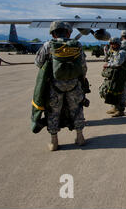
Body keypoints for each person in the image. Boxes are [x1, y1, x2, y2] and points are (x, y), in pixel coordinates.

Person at [34, 21, 87, 151]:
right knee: (77, 109)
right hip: (74, 84)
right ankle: (80, 137)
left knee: (53, 112)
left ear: (53, 33)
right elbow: (83, 66)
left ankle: (54, 142)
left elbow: (38, 63)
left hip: (54, 86)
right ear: (68, 32)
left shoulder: (48, 45)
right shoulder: (77, 45)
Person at [103, 37, 126, 117]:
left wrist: (108, 65)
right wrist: (108, 64)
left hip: (121, 76)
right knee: (112, 91)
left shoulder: (122, 52)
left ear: (118, 44)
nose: (111, 46)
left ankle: (120, 110)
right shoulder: (114, 52)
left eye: (113, 44)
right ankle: (114, 107)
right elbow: (112, 60)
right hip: (115, 75)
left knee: (121, 92)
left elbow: (118, 63)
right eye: (111, 44)